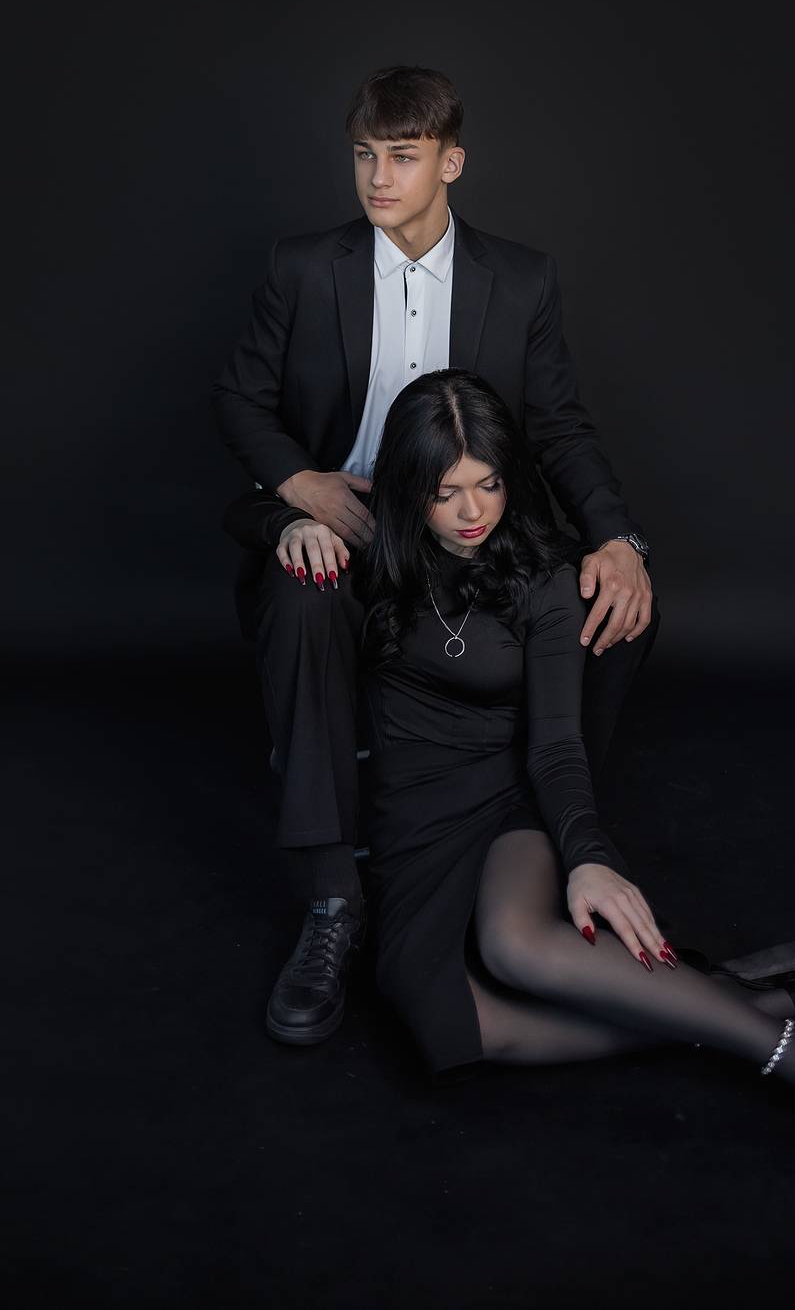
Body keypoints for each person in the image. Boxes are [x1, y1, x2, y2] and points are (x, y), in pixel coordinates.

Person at [225, 369, 795, 1188]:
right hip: (409, 825)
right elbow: (237, 512)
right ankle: (768, 1000)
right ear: (407, 487)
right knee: (449, 1027)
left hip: (507, 802)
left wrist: (589, 856)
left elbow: (557, 747)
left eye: (489, 484)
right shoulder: (372, 549)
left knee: (517, 947)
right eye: (445, 491)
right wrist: (289, 521)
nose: (471, 511)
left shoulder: (544, 580)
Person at [212, 65, 661, 1044]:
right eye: (364, 156)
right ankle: (332, 900)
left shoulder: (520, 278)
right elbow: (241, 401)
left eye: (403, 157)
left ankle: (550, 830)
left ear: (450, 163)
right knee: (304, 594)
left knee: (616, 604)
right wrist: (301, 487)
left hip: (471, 535)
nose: (378, 178)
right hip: (349, 529)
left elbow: (558, 426)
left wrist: (617, 539)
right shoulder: (304, 267)